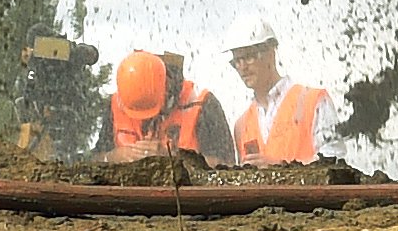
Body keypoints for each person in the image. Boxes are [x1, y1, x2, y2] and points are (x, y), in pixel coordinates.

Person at [225, 12, 329, 164]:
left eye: (248, 57)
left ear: (270, 53)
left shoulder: (314, 101)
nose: (242, 67)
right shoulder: (242, 126)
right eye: (237, 61)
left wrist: (280, 167)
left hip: (309, 189)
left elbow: (335, 163)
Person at [107, 48, 233, 161]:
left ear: (167, 86)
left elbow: (226, 165)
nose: (146, 118)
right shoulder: (115, 104)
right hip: (124, 187)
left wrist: (169, 158)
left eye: (151, 108)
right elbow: (94, 158)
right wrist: (113, 157)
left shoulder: (202, 103)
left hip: (185, 187)